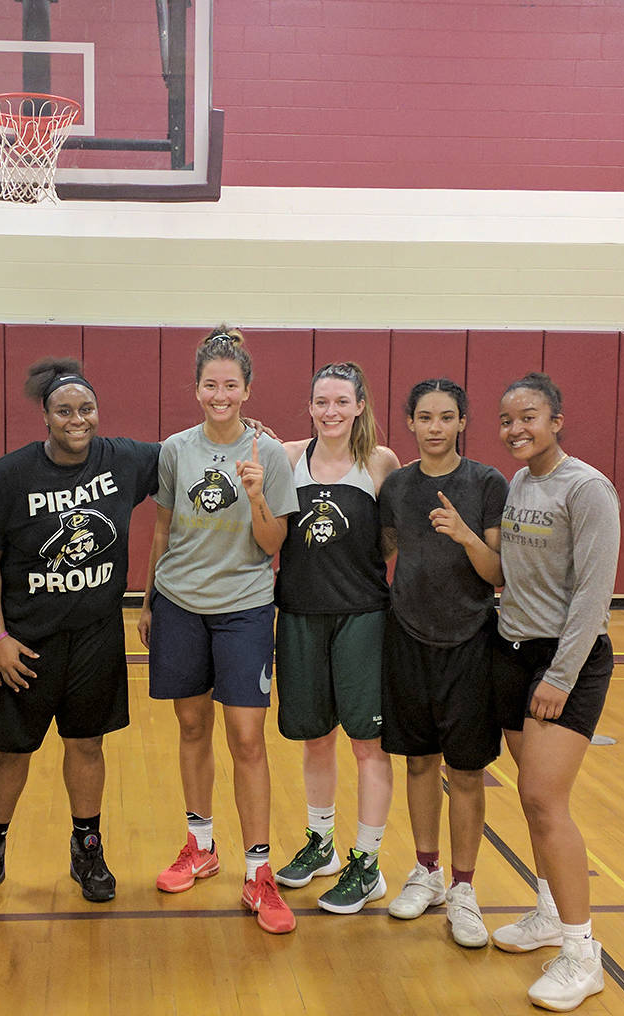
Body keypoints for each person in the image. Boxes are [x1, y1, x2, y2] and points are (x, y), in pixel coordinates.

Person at [0, 357, 160, 908]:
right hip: (26, 641)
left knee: (87, 744)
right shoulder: (11, 474)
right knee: (10, 752)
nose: (78, 419)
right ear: (46, 417)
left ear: (98, 411)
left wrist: (254, 437)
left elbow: (193, 454)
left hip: (96, 635)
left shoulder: (124, 459)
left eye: (86, 409)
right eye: (65, 410)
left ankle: (87, 846)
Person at [139, 328, 299, 934]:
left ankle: (259, 872)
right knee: (190, 724)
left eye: (232, 385)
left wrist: (258, 495)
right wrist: (150, 598)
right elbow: (161, 530)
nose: (220, 394)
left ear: (247, 389)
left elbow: (273, 543)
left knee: (247, 737)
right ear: (197, 388)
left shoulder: (270, 455)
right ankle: (200, 845)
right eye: (211, 384)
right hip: (180, 602)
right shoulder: (176, 450)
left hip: (245, 606)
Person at [489, 372, 620, 1011]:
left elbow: (594, 593)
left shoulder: (588, 488)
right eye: (508, 419)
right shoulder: (520, 481)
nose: (517, 428)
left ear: (557, 419)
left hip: (566, 660)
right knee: (528, 791)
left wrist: (561, 676)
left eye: (530, 417)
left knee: (544, 799)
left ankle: (582, 952)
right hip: (514, 651)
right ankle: (548, 910)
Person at [378, 379, 507, 948]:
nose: (434, 426)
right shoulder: (398, 487)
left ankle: (463, 889)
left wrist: (463, 536)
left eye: (446, 417)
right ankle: (426, 872)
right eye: (424, 416)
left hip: (471, 640)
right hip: (406, 639)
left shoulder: (486, 483)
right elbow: (382, 552)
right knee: (418, 763)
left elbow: (497, 573)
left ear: (462, 421)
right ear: (409, 422)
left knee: (469, 772)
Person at [273, 361, 401, 914]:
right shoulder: (286, 458)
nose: (331, 411)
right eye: (321, 402)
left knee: (366, 743)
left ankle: (367, 863)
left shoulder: (379, 462)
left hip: (362, 617)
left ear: (359, 405)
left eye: (341, 402)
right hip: (299, 613)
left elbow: (388, 541)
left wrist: (350, 580)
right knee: (314, 735)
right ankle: (321, 844)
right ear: (310, 406)